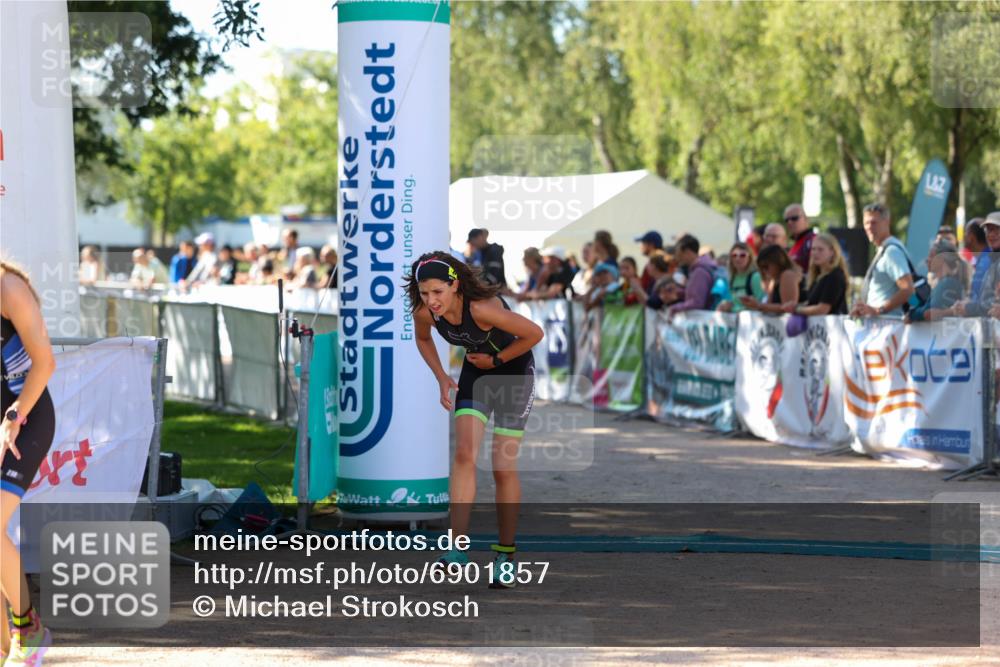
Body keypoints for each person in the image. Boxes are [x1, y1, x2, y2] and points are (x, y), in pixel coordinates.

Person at [405, 252, 543, 588]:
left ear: (454, 286)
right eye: (425, 293)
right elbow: (422, 338)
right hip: (476, 375)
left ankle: (505, 555)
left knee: (501, 467)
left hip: (512, 374)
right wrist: (441, 375)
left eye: (438, 292)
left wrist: (496, 359)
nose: (431, 300)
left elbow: (534, 334)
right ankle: (456, 549)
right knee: (465, 455)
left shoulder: (480, 308)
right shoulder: (426, 313)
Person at [1, 260, 55, 666]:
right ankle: (6, 647)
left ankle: (27, 627)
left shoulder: (8, 288)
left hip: (27, 416)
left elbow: (45, 362)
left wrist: (14, 418)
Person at [850, 203, 915, 318]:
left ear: (887, 222)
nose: (869, 227)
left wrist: (878, 310)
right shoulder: (884, 250)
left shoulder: (891, 252)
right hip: (882, 327)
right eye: (866, 223)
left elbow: (908, 289)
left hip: (889, 328)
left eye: (874, 222)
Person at [784, 233, 849, 316]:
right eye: (813, 249)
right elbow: (813, 303)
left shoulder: (835, 275)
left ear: (832, 252)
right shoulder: (818, 275)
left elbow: (823, 309)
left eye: (820, 249)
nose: (815, 253)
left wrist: (796, 309)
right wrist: (796, 305)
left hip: (832, 327)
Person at [905, 240, 968, 323]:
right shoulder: (944, 282)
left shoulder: (947, 283)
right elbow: (923, 306)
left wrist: (912, 315)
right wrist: (909, 297)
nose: (927, 260)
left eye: (931, 256)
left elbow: (929, 313)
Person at [956, 212, 1000, 318]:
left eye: (997, 229)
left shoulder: (987, 261)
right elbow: (986, 299)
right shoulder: (993, 261)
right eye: (988, 230)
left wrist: (968, 307)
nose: (991, 234)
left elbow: (991, 303)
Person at [741, 244, 802, 314]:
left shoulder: (787, 275)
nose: (764, 271)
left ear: (778, 262)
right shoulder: (775, 279)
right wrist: (755, 304)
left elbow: (788, 307)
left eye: (766, 266)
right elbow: (769, 304)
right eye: (761, 268)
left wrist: (758, 305)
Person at [668, 234, 718, 314]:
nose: (677, 258)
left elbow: (697, 302)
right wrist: (679, 292)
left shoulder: (699, 272)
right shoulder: (697, 270)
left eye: (679, 254)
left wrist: (675, 308)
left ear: (687, 252)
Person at [718, 242, 765, 313]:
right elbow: (735, 303)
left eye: (742, 255)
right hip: (735, 321)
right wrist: (726, 306)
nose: (738, 258)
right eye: (734, 255)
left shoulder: (756, 277)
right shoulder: (732, 278)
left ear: (749, 257)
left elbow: (761, 304)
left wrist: (737, 309)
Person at [963, 219, 990, 302]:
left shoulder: (985, 262)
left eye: (965, 233)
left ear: (971, 237)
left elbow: (979, 299)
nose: (964, 236)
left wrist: (966, 306)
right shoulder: (985, 259)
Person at [784, 204, 815, 273]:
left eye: (794, 218)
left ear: (806, 219)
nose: (789, 222)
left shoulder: (813, 240)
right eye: (786, 220)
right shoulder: (795, 244)